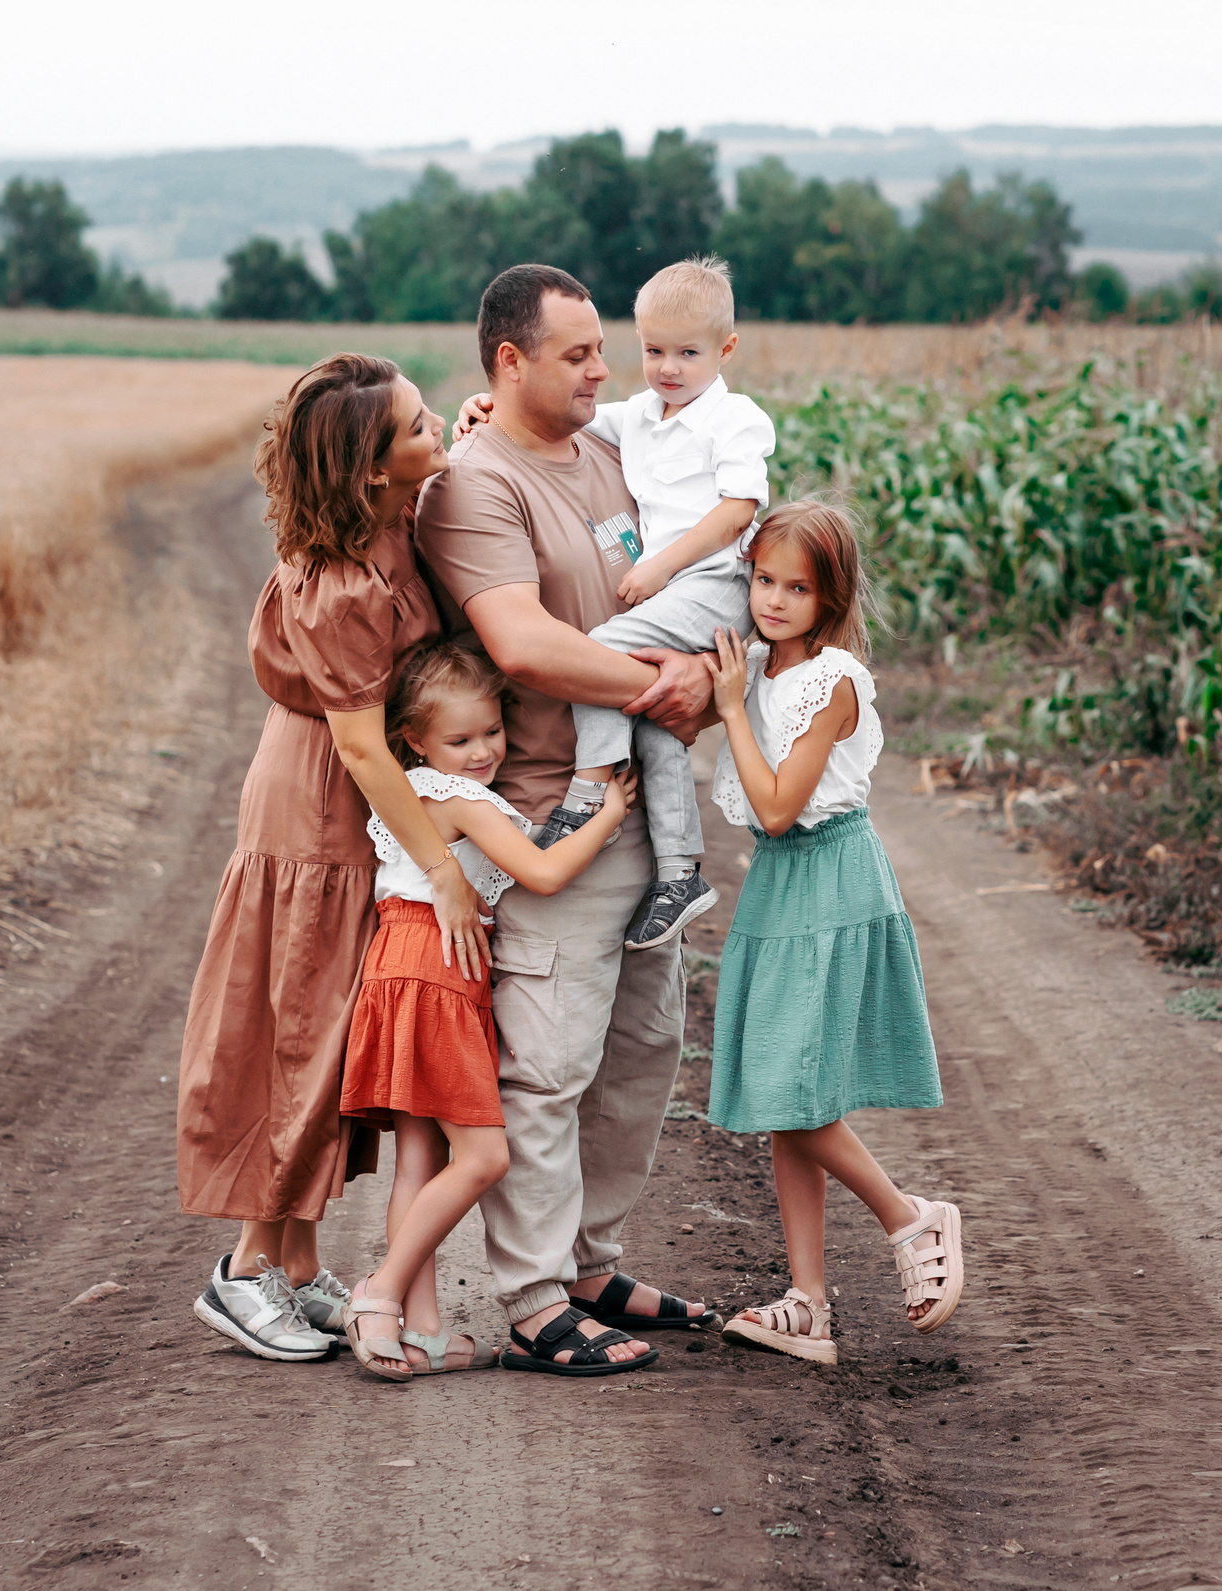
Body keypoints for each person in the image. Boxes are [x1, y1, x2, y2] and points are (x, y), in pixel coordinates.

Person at [416, 262, 717, 1375]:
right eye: (578, 353)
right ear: (507, 364)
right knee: (545, 1065)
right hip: (551, 815)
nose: (606, 370)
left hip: (642, 809)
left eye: (603, 350)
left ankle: (595, 1263)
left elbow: (702, 543)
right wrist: (660, 685)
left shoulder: (608, 452)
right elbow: (522, 644)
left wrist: (698, 668)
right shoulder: (474, 483)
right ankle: (536, 1300)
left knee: (642, 1050)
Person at [174, 354, 491, 1363]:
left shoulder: (394, 516)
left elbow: (458, 474)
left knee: (336, 1037)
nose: (432, 421)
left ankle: (296, 1270)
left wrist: (468, 434)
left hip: (361, 807)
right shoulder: (341, 582)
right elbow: (359, 742)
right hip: (319, 808)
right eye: (413, 424)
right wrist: (442, 865)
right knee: (302, 1037)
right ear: (367, 472)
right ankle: (240, 1270)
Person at [336, 640, 640, 1380]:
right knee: (484, 1156)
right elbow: (539, 872)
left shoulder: (413, 792)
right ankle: (378, 1292)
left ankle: (428, 1329)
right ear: (414, 739)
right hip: (439, 974)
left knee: (420, 1157)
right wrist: (609, 813)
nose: (482, 752)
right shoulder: (466, 801)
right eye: (460, 738)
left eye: (491, 732)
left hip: (401, 964)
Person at [703, 502, 962, 1367]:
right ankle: (807, 1302)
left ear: (831, 595)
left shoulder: (830, 677)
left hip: (829, 878)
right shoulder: (763, 671)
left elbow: (777, 809)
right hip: (781, 888)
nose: (773, 600)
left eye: (797, 587)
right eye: (763, 579)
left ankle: (909, 1216)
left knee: (790, 1091)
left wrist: (731, 711)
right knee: (787, 1098)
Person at [456, 256, 774, 951]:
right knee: (655, 726)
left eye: (685, 353)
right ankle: (680, 867)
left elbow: (741, 512)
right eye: (651, 350)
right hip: (566, 818)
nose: (657, 367)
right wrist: (478, 409)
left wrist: (664, 578)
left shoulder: (732, 421)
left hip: (712, 585)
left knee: (602, 648)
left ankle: (595, 791)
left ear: (724, 351)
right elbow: (522, 644)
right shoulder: (636, 422)